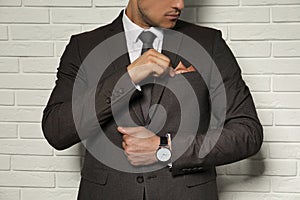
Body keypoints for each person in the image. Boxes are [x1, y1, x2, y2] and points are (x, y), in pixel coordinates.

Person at [42, 0, 263, 199]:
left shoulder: (208, 43)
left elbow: (247, 132)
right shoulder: (84, 47)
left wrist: (165, 148)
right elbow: (57, 131)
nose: (180, 4)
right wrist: (127, 78)